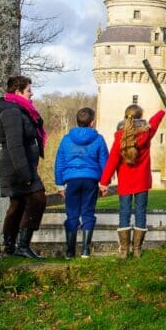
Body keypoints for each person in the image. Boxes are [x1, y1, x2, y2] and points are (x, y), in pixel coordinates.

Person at [100, 104, 166, 258]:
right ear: (141, 118)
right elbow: (154, 123)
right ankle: (137, 249)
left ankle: (124, 250)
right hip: (142, 180)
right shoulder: (146, 134)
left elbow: (112, 161)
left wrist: (104, 182)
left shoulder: (120, 137)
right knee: (140, 213)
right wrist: (162, 111)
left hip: (125, 181)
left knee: (124, 213)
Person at [0, 75, 47, 259]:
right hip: (17, 167)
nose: (31, 93)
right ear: (18, 92)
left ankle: (10, 248)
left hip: (21, 165)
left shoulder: (20, 110)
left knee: (17, 205)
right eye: (28, 90)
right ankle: (21, 246)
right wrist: (24, 173)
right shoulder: (12, 112)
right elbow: (15, 144)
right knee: (37, 199)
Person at [53, 107, 108, 259]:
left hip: (72, 180)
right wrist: (104, 183)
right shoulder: (98, 139)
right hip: (90, 180)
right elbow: (105, 162)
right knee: (88, 213)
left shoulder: (66, 139)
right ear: (92, 122)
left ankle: (70, 252)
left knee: (72, 214)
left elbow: (59, 162)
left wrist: (59, 184)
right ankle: (85, 251)